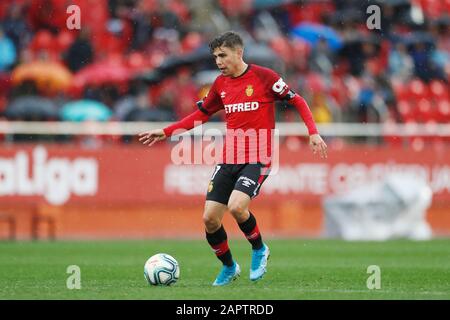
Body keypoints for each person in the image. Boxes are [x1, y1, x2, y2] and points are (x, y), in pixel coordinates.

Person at [139, 31, 327, 286]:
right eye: (215, 56)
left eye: (223, 55)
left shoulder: (264, 77)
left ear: (239, 53)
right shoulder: (220, 84)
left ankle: (259, 248)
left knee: (238, 207)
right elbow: (200, 116)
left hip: (258, 157)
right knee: (210, 219)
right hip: (229, 158)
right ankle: (229, 267)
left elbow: (299, 100)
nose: (218, 61)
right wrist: (166, 131)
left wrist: (313, 133)